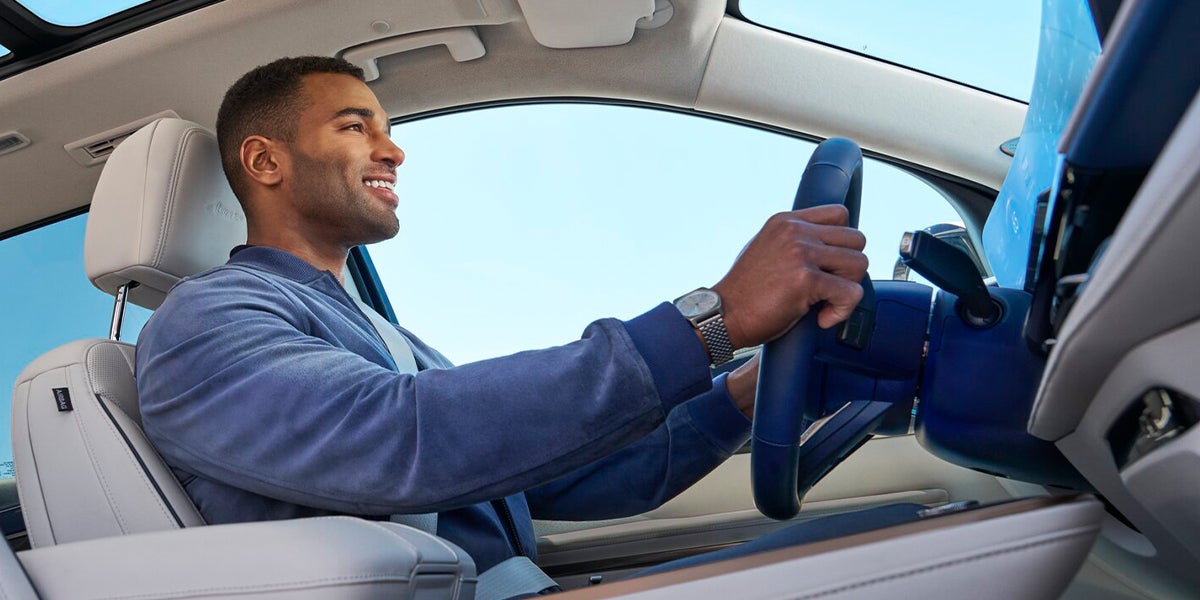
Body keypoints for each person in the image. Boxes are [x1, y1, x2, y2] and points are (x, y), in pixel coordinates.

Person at [135, 56, 868, 595]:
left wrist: (749, 387)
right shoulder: (205, 324)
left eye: (388, 131)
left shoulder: (385, 339)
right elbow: (402, 438)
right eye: (355, 127)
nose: (392, 149)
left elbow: (574, 475)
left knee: (883, 531)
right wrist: (718, 316)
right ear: (265, 160)